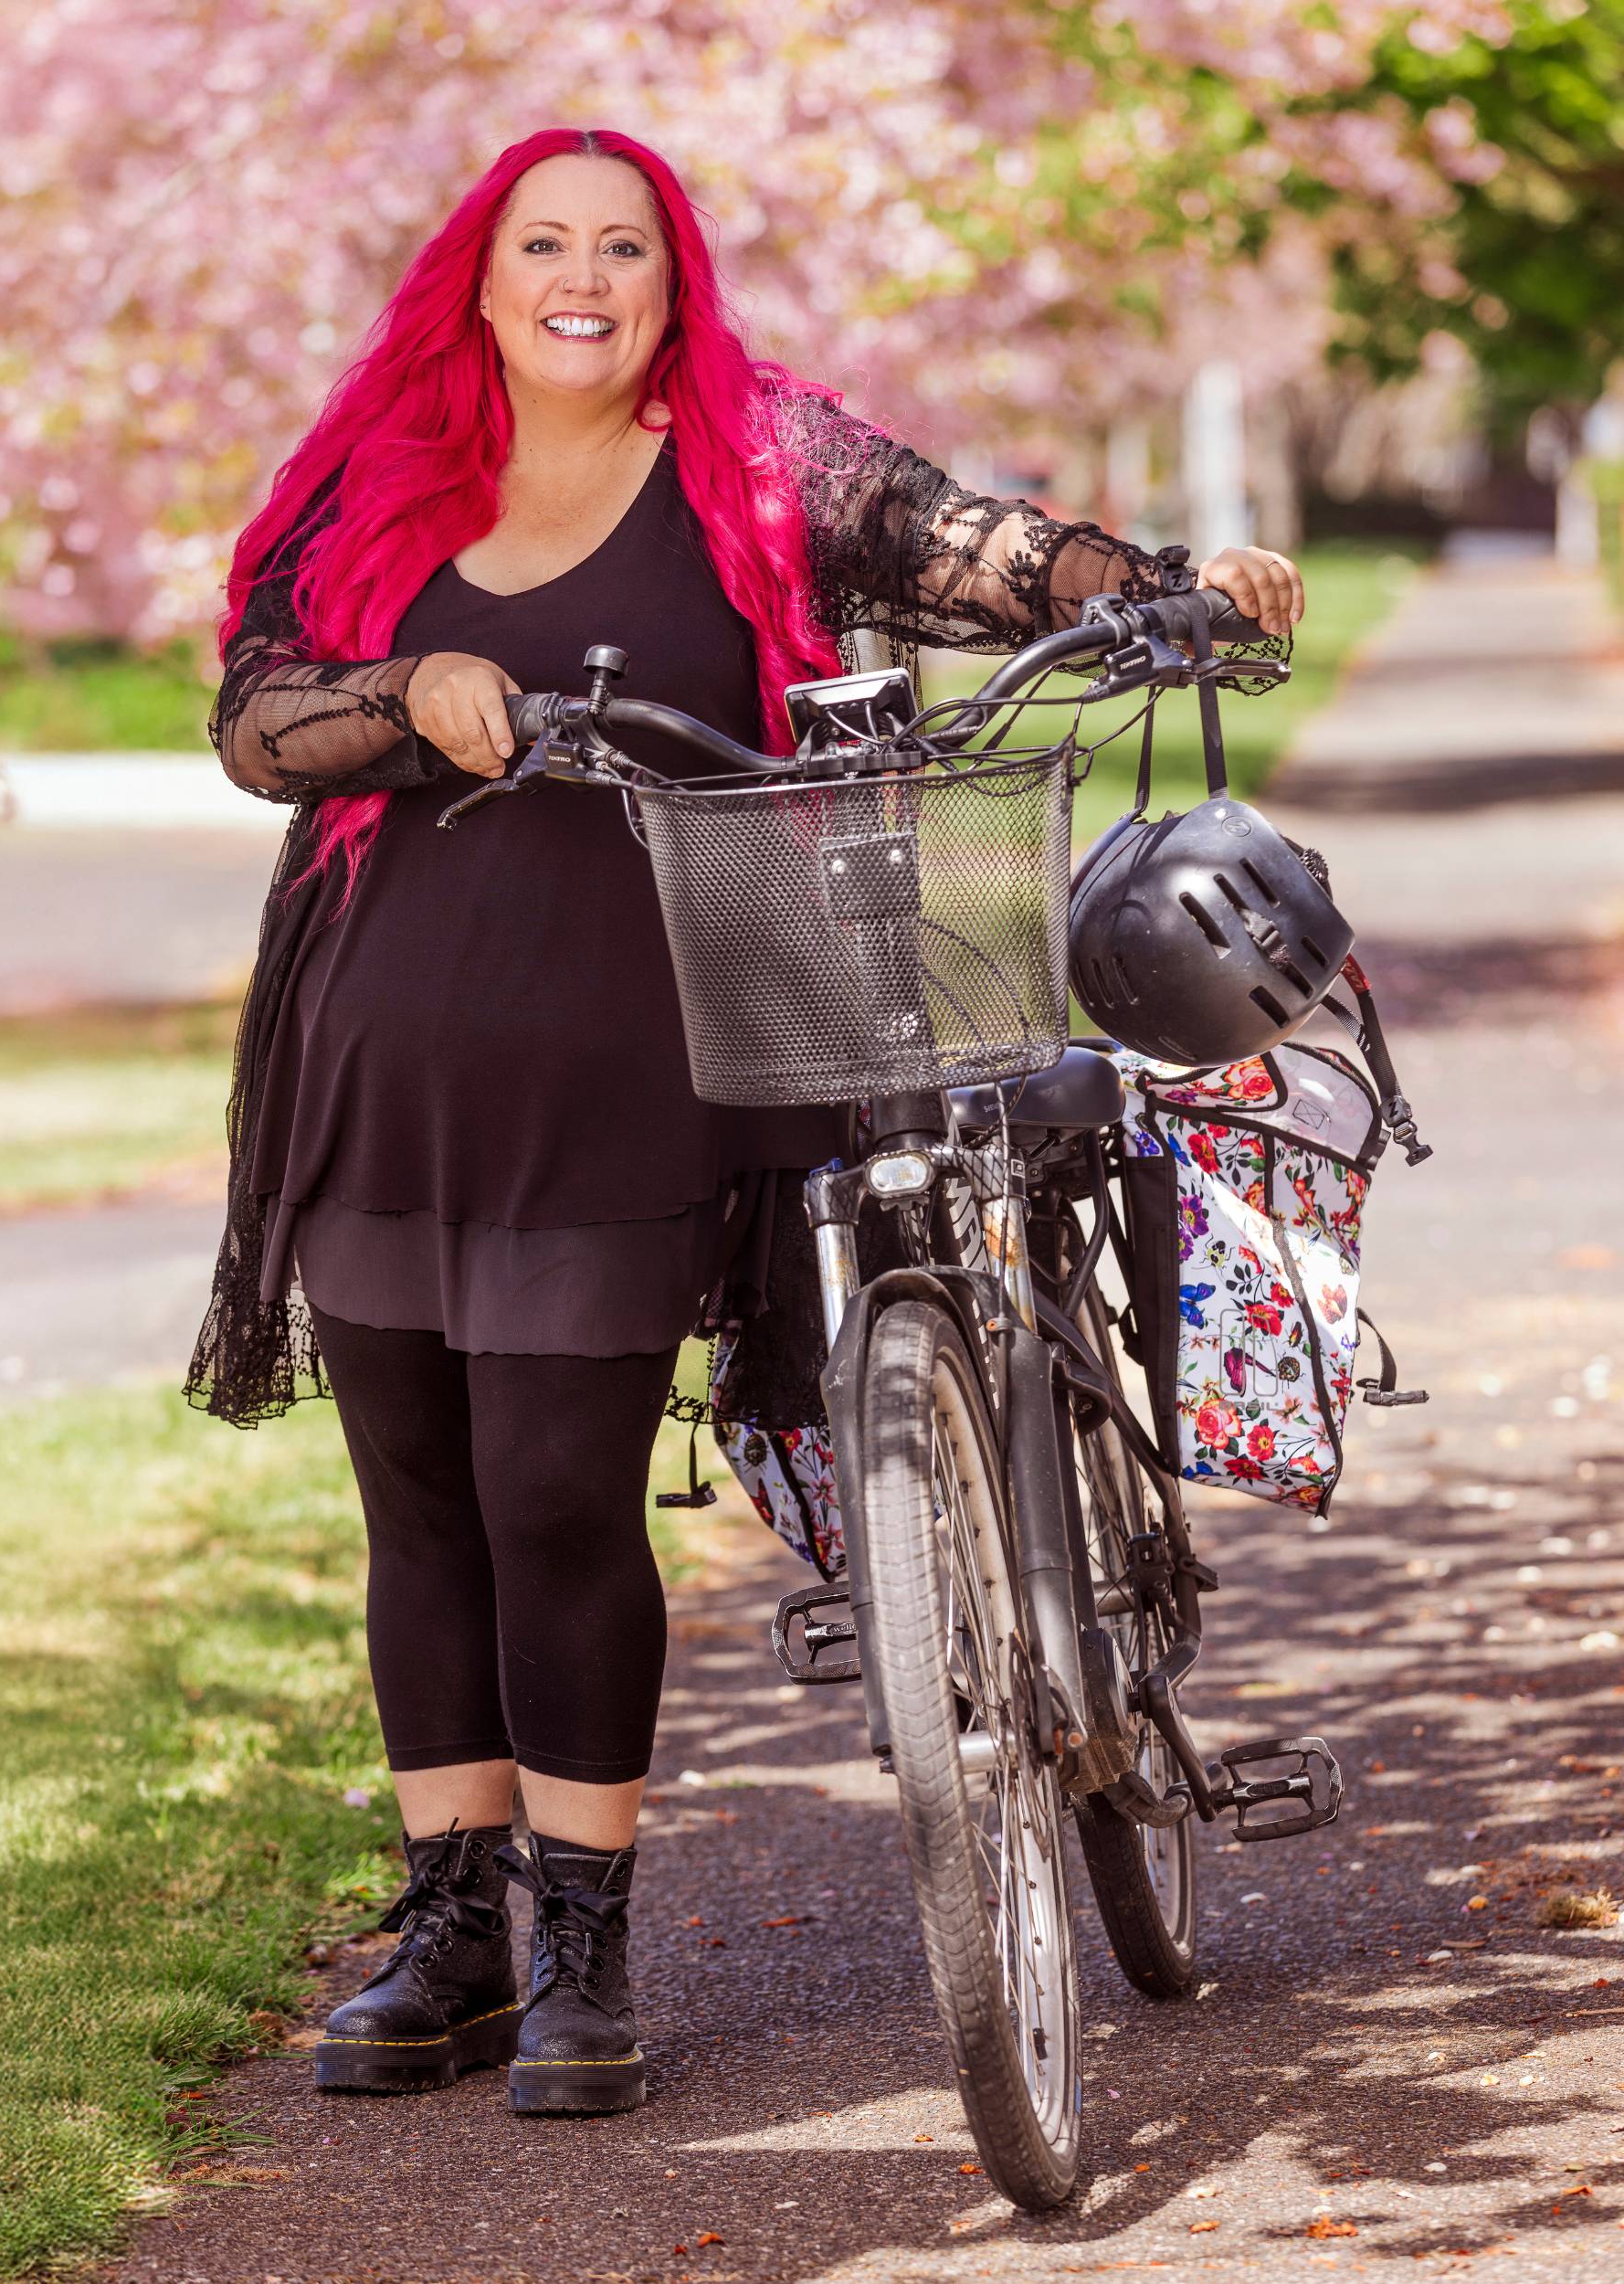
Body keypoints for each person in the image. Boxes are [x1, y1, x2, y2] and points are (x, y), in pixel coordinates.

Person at [187, 124, 1303, 2119]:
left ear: (673, 278)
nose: (585, 276)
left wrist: (1157, 579)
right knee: (420, 1503)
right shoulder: (378, 473)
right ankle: (450, 1931)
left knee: (553, 1489)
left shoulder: (756, 458)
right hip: (386, 1052)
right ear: (484, 272)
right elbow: (258, 709)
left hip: (640, 1059)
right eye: (546, 242)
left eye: (627, 245)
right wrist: (409, 680)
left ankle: (586, 1940)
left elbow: (972, 543)